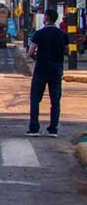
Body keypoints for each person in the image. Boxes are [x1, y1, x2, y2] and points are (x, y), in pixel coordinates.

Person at [27, 9, 70, 137]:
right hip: (56, 70)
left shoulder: (39, 33)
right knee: (55, 100)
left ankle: (34, 129)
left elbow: (30, 52)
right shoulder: (62, 34)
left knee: (35, 99)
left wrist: (33, 57)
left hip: (41, 69)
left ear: (46, 18)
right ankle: (53, 129)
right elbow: (68, 51)